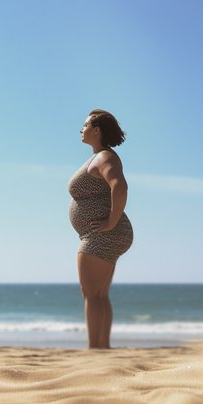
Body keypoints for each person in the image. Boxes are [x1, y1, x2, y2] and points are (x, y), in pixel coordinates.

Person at [68, 109, 132, 349]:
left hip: (102, 234)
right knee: (99, 295)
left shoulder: (106, 157)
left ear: (97, 131)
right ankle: (102, 348)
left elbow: (120, 187)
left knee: (92, 294)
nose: (81, 129)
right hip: (101, 233)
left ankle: (95, 349)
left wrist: (111, 222)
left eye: (85, 125)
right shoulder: (99, 157)